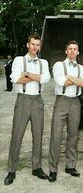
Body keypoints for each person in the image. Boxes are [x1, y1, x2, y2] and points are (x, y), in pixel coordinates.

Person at [4, 34, 50, 185]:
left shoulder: (43, 62)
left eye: (38, 44)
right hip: (23, 99)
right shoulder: (19, 60)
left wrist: (28, 74)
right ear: (27, 44)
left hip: (38, 100)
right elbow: (16, 79)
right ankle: (11, 170)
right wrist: (36, 77)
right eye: (33, 44)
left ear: (39, 46)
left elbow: (46, 79)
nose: (35, 47)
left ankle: (36, 168)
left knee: (38, 135)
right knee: (17, 135)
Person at [48, 40, 83, 183]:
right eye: (70, 49)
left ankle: (70, 165)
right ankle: (52, 169)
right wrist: (77, 80)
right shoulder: (59, 65)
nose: (72, 51)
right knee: (56, 134)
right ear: (66, 51)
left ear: (78, 52)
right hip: (62, 101)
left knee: (73, 135)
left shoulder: (82, 68)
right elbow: (61, 82)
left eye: (75, 49)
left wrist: (70, 77)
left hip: (76, 102)